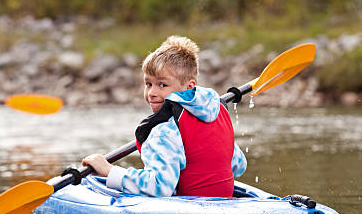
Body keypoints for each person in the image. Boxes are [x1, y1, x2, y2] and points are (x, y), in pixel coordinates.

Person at [82, 36, 247, 197]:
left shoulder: (164, 130)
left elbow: (159, 187)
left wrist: (109, 171)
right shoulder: (218, 116)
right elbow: (238, 165)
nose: (152, 93)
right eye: (148, 84)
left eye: (162, 85)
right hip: (224, 205)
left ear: (189, 87)